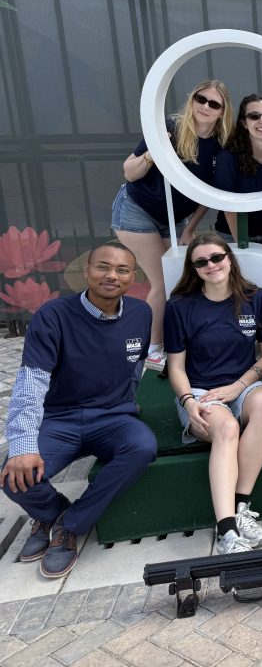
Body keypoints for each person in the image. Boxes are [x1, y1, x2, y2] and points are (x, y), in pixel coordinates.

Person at [1, 242, 155, 578]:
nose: (111, 275)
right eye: (103, 266)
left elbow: (136, 363)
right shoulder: (52, 316)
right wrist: (23, 445)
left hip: (115, 417)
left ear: (132, 277)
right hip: (61, 418)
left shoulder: (141, 313)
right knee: (14, 478)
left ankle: (69, 526)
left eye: (122, 270)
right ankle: (53, 513)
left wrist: (128, 398)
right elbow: (31, 384)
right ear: (86, 271)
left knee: (143, 446)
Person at [164, 234, 262, 555]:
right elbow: (175, 367)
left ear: (229, 258)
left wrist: (239, 386)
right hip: (199, 391)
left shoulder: (257, 297)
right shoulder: (180, 306)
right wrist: (188, 402)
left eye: (216, 257)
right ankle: (226, 529)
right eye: (201, 262)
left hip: (241, 385)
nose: (211, 265)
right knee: (227, 427)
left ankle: (241, 508)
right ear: (193, 268)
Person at [112, 80, 233, 373]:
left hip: (172, 217)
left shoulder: (221, 144)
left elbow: (211, 194)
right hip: (137, 209)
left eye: (213, 103)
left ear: (222, 111)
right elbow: (129, 172)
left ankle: (175, 341)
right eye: (200, 98)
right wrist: (155, 151)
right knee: (163, 281)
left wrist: (190, 228)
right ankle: (153, 350)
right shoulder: (171, 127)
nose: (205, 106)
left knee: (182, 280)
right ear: (192, 99)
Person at [213, 94, 262, 249]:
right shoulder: (227, 158)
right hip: (233, 234)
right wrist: (243, 248)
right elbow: (229, 208)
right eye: (254, 116)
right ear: (244, 123)